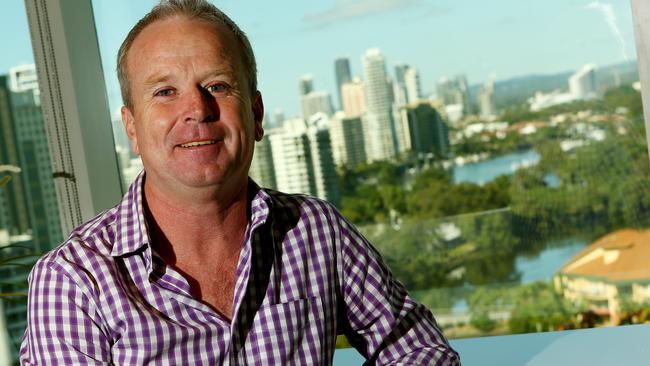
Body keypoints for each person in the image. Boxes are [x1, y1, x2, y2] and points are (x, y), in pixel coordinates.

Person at [20, 0, 460, 364]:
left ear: (256, 114)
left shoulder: (316, 232)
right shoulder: (74, 282)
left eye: (217, 85)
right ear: (132, 127)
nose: (197, 109)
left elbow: (417, 349)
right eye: (164, 92)